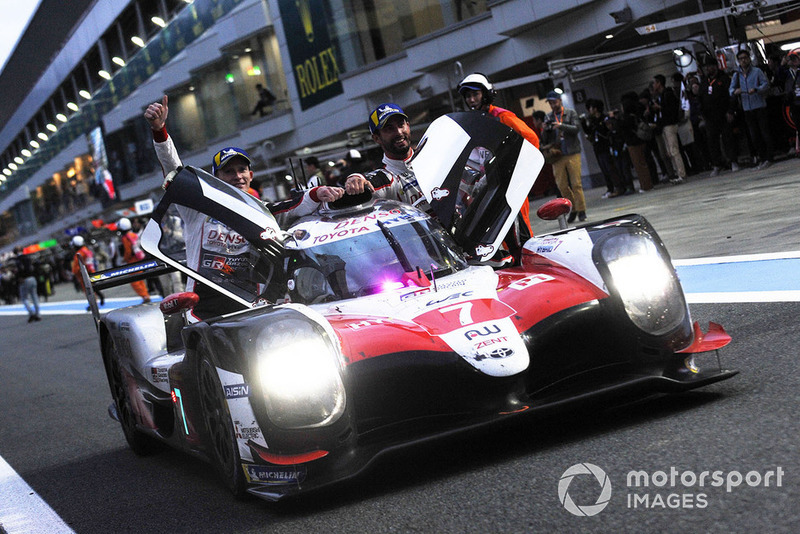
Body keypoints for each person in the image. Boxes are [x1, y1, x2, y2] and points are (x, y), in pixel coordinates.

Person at [144, 95, 343, 320]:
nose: (237, 176)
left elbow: (294, 206)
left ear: (251, 175)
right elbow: (173, 170)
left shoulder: (263, 213)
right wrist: (159, 131)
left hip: (251, 305)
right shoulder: (198, 209)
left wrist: (319, 193)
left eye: (242, 170)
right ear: (215, 178)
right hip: (203, 309)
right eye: (228, 171)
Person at [455, 73, 535, 257]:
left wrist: (516, 170)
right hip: (488, 188)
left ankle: (528, 264)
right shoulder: (474, 122)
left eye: (475, 94)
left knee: (521, 234)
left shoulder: (501, 117)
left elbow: (531, 139)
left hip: (510, 185)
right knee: (498, 234)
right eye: (468, 96)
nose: (471, 99)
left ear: (486, 94)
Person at [542, 90, 587, 222]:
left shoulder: (570, 113)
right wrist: (545, 129)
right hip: (557, 154)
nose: (552, 105)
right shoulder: (548, 117)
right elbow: (545, 139)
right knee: (562, 185)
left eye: (554, 102)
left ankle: (581, 210)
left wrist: (561, 126)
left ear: (560, 101)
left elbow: (576, 129)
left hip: (572, 151)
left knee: (576, 184)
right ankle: (572, 209)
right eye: (550, 103)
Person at [730, 49, 774, 169]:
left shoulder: (757, 71)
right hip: (747, 108)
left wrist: (756, 89)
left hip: (759, 106)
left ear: (749, 58)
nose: (743, 60)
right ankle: (762, 157)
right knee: (754, 136)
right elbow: (731, 90)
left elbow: (765, 84)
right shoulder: (737, 75)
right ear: (738, 61)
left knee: (765, 133)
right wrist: (735, 91)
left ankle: (769, 157)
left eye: (745, 58)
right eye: (741, 59)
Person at [700, 57, 739, 176]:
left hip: (723, 113)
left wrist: (731, 111)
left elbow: (731, 96)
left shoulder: (724, 79)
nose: (708, 68)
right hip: (710, 116)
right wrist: (702, 113)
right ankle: (717, 164)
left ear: (715, 66)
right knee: (712, 141)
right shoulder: (704, 81)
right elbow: (701, 97)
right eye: (706, 67)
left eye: (710, 66)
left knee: (728, 139)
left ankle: (733, 161)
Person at [580, 98, 623, 197]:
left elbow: (606, 131)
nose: (589, 110)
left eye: (590, 108)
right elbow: (588, 131)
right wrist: (583, 123)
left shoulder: (604, 119)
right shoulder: (593, 120)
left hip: (606, 146)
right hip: (597, 147)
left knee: (610, 168)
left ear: (595, 109)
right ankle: (610, 188)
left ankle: (618, 187)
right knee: (604, 169)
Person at [651, 74, 686, 184]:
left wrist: (660, 108)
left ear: (659, 83)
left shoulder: (668, 94)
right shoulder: (661, 96)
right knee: (670, 152)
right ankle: (677, 173)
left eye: (654, 83)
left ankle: (681, 174)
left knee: (674, 150)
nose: (653, 85)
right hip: (665, 126)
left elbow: (671, 110)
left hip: (670, 125)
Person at [118, 218, 151, 304]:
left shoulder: (125, 238)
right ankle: (146, 295)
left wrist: (125, 259)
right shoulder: (133, 234)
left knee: (134, 281)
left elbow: (128, 251)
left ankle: (144, 296)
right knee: (140, 279)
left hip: (132, 261)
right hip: (139, 258)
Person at [70, 235, 105, 308]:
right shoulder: (86, 250)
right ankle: (96, 300)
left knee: (88, 291)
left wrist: (74, 273)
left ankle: (93, 304)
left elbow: (76, 267)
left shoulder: (79, 253)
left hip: (84, 274)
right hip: (91, 271)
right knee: (93, 288)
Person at [12, 246, 41, 322]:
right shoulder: (28, 258)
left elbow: (20, 269)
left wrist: (19, 277)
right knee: (34, 296)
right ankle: (38, 314)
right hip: (32, 278)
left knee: (24, 298)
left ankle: (31, 313)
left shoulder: (17, 260)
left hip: (24, 280)